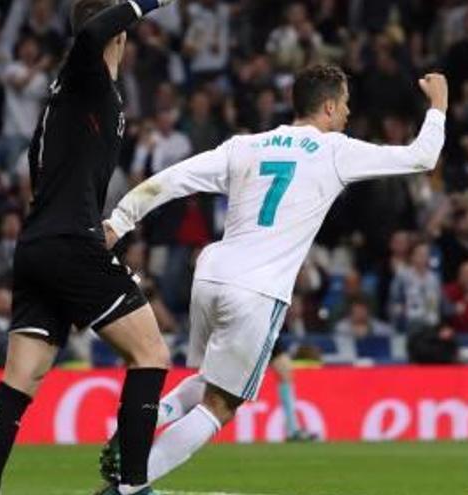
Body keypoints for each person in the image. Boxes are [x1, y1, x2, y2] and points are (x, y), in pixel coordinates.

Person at [100, 65, 447, 492]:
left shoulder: (245, 146)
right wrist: (439, 105)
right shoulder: (334, 150)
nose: (349, 113)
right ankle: (130, 485)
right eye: (346, 105)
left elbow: (174, 179)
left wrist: (120, 219)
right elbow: (422, 157)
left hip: (210, 275)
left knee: (209, 380)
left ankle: (133, 428)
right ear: (329, 106)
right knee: (221, 405)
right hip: (256, 290)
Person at [0, 2, 178, 495]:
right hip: (69, 244)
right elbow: (89, 39)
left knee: (22, 377)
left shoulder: (60, 102)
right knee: (151, 354)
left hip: (38, 246)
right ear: (120, 34)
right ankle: (132, 487)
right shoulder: (85, 77)